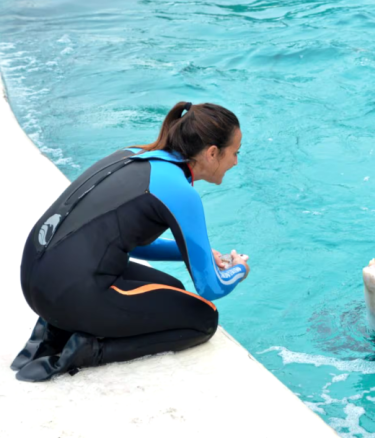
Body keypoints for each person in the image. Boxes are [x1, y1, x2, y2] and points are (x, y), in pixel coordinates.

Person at [11, 101, 251, 382]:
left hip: (35, 278)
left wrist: (191, 253)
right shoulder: (180, 191)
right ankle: (91, 350)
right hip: (69, 294)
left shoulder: (134, 154)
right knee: (203, 319)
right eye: (235, 153)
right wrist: (239, 270)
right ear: (212, 153)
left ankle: (52, 333)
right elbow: (210, 287)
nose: (235, 161)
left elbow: (124, 240)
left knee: (172, 290)